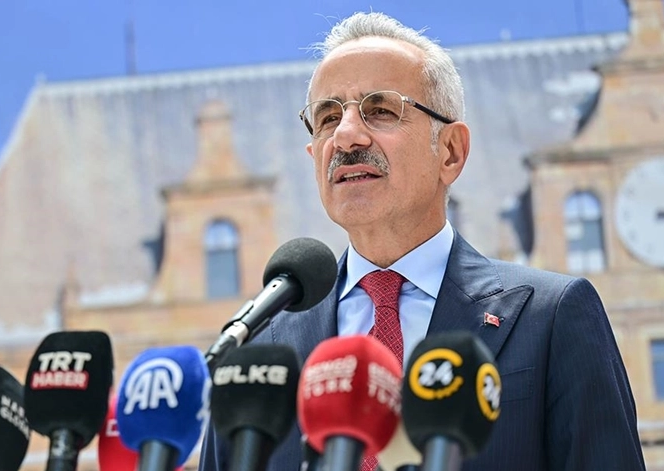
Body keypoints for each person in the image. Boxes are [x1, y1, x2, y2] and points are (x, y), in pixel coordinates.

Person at [199, 11, 645, 471]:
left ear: (450, 152)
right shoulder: (258, 352)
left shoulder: (551, 316)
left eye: (379, 110)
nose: (346, 136)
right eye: (328, 117)